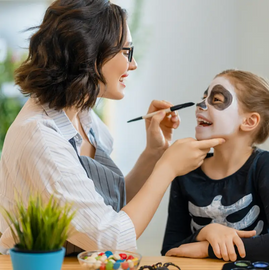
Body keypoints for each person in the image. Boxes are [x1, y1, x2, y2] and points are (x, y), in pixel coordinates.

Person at [0, 0, 223, 255]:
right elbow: (111, 238)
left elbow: (102, 210)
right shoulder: (40, 138)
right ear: (89, 52)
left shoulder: (84, 117)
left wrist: (154, 153)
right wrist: (167, 168)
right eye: (126, 51)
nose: (133, 63)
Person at [161, 69, 269, 262]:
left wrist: (207, 249)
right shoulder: (186, 168)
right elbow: (171, 250)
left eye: (217, 99)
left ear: (249, 121)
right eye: (204, 97)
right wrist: (207, 232)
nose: (200, 105)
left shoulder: (264, 164)